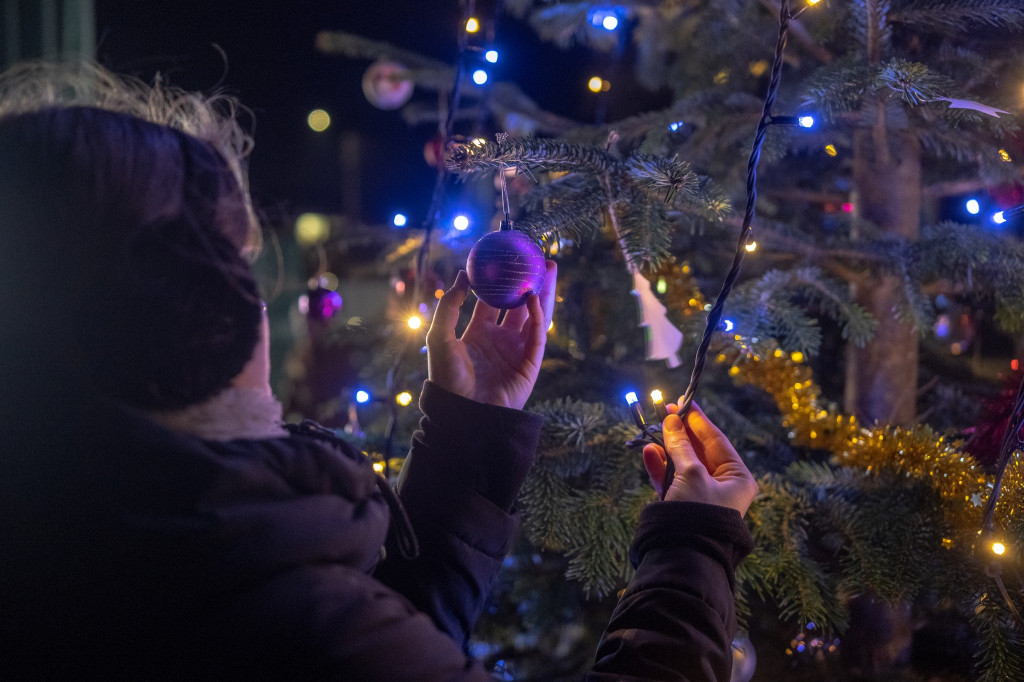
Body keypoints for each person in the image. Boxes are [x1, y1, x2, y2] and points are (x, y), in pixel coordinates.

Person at [0, 61, 757, 681]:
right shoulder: (252, 596)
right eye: (241, 272)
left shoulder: (72, 538)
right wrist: (695, 544)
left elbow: (389, 642)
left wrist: (468, 437)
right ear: (204, 318)